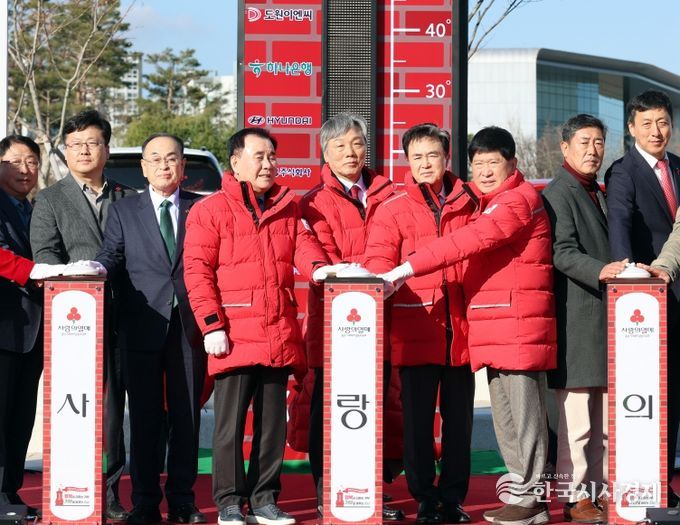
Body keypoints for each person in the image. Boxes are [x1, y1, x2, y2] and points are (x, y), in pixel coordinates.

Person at [381, 126, 556, 525]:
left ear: (512, 163)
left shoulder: (512, 201)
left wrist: (406, 268)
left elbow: (470, 240)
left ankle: (529, 497)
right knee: (505, 419)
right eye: (479, 164)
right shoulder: (477, 201)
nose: (486, 171)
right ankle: (521, 496)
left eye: (494, 163)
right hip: (477, 330)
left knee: (521, 419)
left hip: (507, 328)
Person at [183, 128, 329, 525]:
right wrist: (211, 325)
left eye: (272, 157)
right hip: (232, 334)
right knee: (229, 427)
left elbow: (305, 248)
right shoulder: (210, 210)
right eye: (259, 156)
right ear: (236, 162)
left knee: (271, 427)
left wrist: (322, 270)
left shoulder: (287, 207)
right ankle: (229, 502)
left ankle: (265, 499)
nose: (268, 164)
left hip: (277, 332)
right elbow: (197, 271)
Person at [364, 123, 476, 524]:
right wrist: (381, 282)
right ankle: (425, 499)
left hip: (463, 332)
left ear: (447, 156)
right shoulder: (392, 209)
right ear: (406, 162)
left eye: (432, 155)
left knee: (459, 425)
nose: (425, 164)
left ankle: (453, 498)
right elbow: (378, 261)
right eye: (417, 157)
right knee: (417, 425)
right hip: (414, 331)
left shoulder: (472, 202)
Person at [94, 133, 207, 525]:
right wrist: (95, 269)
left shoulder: (201, 208)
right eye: (155, 159)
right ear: (143, 167)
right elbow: (111, 255)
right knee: (143, 417)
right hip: (140, 325)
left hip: (189, 326)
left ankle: (182, 501)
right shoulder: (124, 211)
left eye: (171, 158)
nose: (163, 165)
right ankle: (144, 501)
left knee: (186, 416)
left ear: (182, 166)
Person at [30, 109, 136, 520]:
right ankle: (74, 489)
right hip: (73, 322)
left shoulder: (129, 197)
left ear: (107, 149)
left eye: (92, 142)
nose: (84, 151)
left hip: (125, 317)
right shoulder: (50, 199)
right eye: (75, 144)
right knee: (75, 408)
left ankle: (110, 492)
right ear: (65, 151)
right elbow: (45, 256)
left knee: (114, 411)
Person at [298, 112, 404, 520]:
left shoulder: (391, 195)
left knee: (375, 407)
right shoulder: (312, 202)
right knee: (328, 408)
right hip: (334, 322)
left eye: (357, 143)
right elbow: (315, 254)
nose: (350, 152)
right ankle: (326, 491)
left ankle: (371, 492)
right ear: (325, 153)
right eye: (340, 146)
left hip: (385, 320)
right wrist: (342, 273)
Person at [543, 114, 628, 523]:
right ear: (565, 147)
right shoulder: (558, 192)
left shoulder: (600, 190)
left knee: (606, 421)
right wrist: (602, 270)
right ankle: (574, 497)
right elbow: (561, 251)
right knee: (576, 423)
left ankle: (601, 492)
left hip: (605, 322)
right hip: (576, 322)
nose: (593, 151)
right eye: (584, 142)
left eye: (599, 143)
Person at [605, 90, 680, 506]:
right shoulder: (624, 172)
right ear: (632, 127)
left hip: (677, 293)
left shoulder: (679, 167)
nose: (656, 131)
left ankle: (665, 482)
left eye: (663, 122)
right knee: (654, 397)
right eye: (647, 123)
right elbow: (619, 224)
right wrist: (628, 281)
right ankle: (653, 484)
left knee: (675, 395)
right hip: (648, 302)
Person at [0, 135, 44, 518]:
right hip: (4, 326)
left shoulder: (34, 208)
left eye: (31, 162)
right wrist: (37, 273)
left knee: (20, 417)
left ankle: (10, 493)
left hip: (34, 331)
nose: (24, 170)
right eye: (15, 162)